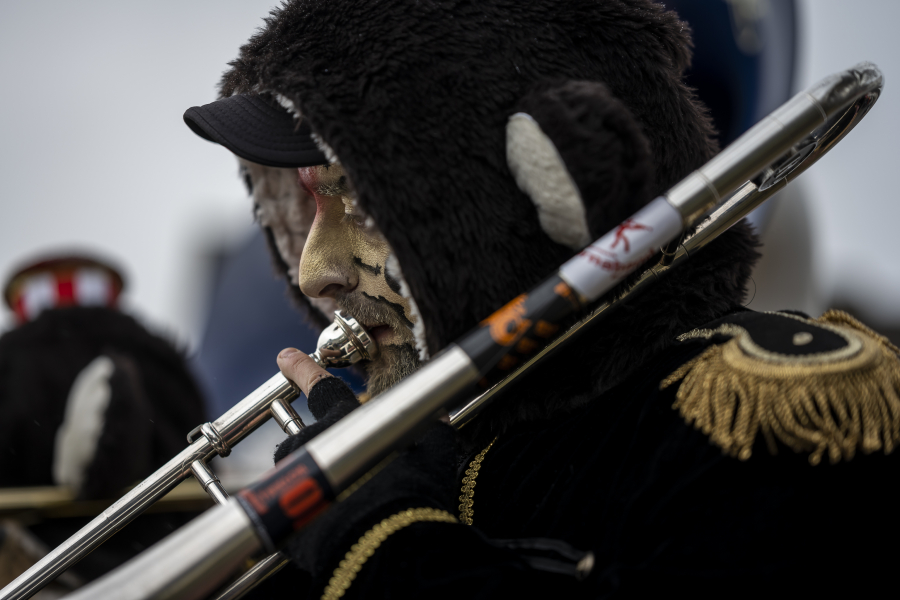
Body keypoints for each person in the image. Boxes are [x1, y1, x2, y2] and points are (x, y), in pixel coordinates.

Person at [183, 0, 900, 597]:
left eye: (361, 201)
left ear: (542, 181)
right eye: (303, 211)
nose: (313, 273)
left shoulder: (765, 413)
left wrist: (384, 542)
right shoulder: (432, 449)